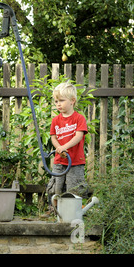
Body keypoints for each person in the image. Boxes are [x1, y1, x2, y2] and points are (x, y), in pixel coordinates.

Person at [42, 82, 89, 217]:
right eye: (56, 101)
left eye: (61, 100)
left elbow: (79, 136)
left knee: (74, 186)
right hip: (59, 160)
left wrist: (65, 147)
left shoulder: (79, 118)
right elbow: (53, 137)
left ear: (72, 101)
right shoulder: (56, 120)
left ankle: (74, 211)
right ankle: (54, 210)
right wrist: (58, 148)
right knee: (56, 185)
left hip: (75, 161)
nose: (58, 104)